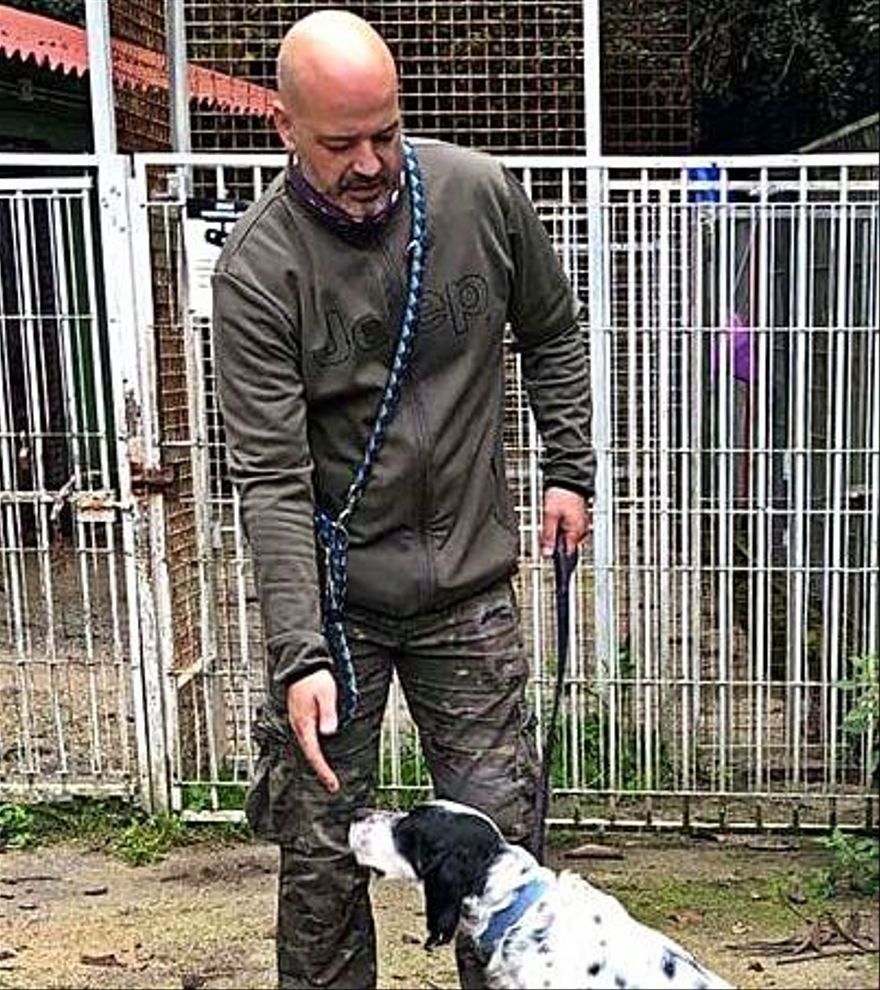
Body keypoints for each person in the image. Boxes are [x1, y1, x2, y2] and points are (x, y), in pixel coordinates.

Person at [212, 9, 594, 989]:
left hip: (466, 590)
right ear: (284, 129)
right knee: (323, 860)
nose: (372, 159)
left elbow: (552, 329)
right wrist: (298, 652)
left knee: (502, 854)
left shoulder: (476, 196)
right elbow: (270, 477)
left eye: (386, 131)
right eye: (341, 142)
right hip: (341, 612)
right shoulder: (261, 270)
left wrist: (568, 467)